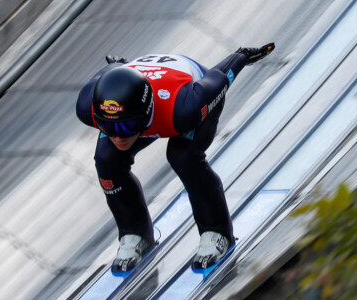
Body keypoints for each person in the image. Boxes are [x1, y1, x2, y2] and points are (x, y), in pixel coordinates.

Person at [75, 44, 274, 272]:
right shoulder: (87, 106)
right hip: (147, 92)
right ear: (97, 116)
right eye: (107, 127)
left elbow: (218, 77)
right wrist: (119, 66)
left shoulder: (184, 108)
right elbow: (107, 74)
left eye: (128, 127)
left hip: (186, 93)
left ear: (147, 112)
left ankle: (217, 232)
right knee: (106, 159)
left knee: (183, 156)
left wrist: (241, 55)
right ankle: (134, 233)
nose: (119, 137)